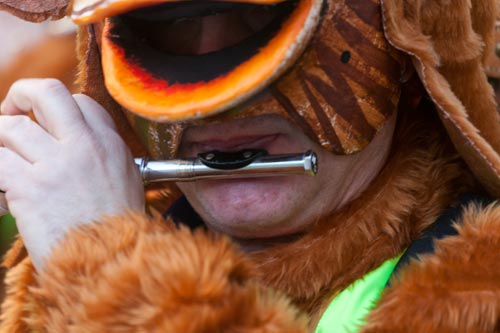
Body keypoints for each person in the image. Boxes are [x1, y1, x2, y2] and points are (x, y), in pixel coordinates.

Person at [0, 0, 500, 332]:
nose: (214, 100)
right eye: (170, 25)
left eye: (259, 14)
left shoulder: (480, 283)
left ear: (405, 43)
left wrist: (106, 267)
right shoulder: (64, 266)